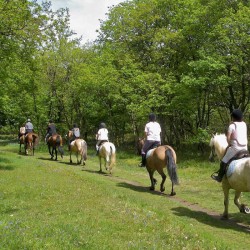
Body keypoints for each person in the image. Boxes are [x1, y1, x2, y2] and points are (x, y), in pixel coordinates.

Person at [211, 109, 248, 182]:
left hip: (235, 148)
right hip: (245, 148)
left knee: (224, 161)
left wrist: (229, 144)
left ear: (233, 117)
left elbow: (228, 138)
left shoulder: (232, 126)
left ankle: (219, 177)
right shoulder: (244, 124)